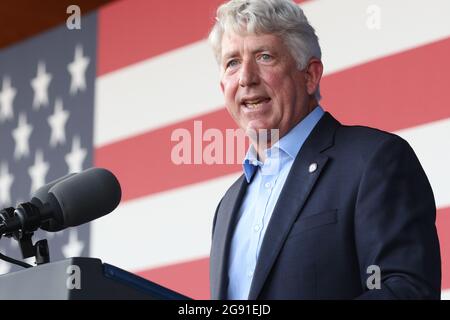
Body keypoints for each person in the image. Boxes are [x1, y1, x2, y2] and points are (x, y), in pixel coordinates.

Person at [207, 0, 441, 299]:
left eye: (264, 56)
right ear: (222, 86)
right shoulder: (227, 207)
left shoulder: (374, 161)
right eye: (232, 63)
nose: (246, 78)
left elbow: (407, 291)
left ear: (310, 75)